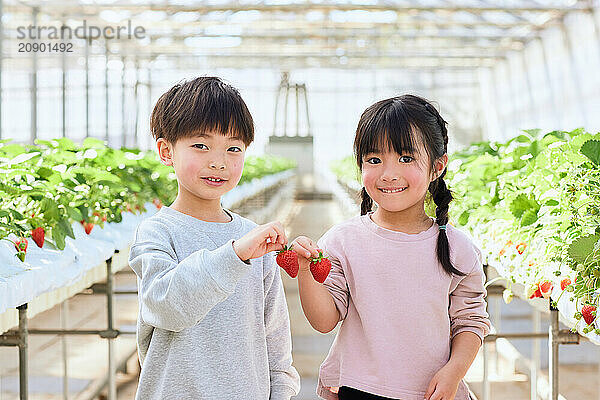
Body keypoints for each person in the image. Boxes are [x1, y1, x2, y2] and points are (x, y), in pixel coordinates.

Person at [290, 95, 491, 400]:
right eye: (374, 160)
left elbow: (470, 321)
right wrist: (306, 271)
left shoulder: (457, 248)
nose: (388, 173)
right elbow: (324, 320)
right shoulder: (343, 240)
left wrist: (455, 371)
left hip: (431, 392)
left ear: (437, 166)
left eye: (406, 158)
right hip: (359, 390)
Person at [128, 77, 300, 399]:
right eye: (200, 146)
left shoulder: (253, 239)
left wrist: (281, 393)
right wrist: (235, 255)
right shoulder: (158, 232)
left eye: (233, 148)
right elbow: (168, 307)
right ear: (166, 151)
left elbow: (275, 341)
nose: (218, 161)